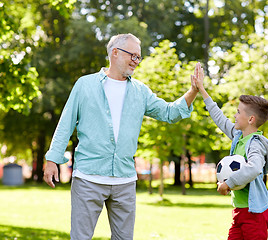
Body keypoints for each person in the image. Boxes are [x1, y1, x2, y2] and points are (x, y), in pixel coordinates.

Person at [43, 33, 199, 240]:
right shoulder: (85, 85)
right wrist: (53, 159)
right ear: (114, 53)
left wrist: (193, 91)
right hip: (89, 178)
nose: (136, 61)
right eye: (132, 56)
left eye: (139, 57)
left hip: (124, 181)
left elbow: (169, 112)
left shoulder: (140, 91)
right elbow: (66, 123)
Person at [191, 63, 268, 240]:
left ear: (251, 119)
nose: (235, 115)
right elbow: (220, 118)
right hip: (240, 212)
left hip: (255, 214)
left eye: (238, 112)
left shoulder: (255, 145)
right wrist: (202, 90)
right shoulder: (238, 136)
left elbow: (254, 168)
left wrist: (229, 183)